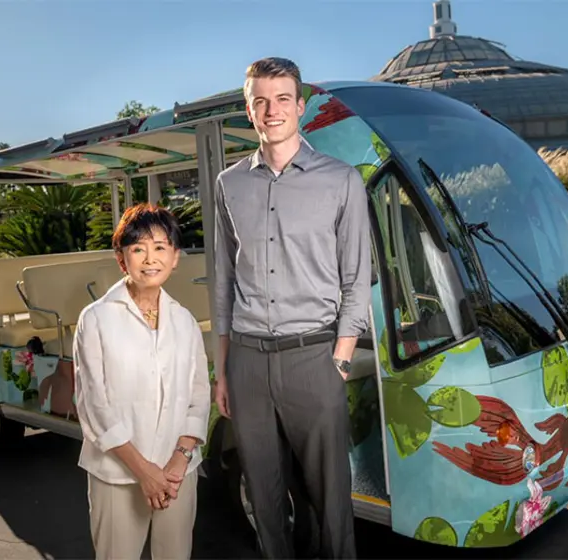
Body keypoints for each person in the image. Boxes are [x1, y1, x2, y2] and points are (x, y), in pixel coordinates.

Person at [213, 57, 371, 559]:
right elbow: (224, 282)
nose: (271, 109)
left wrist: (340, 360)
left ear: (301, 107)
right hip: (247, 360)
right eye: (260, 100)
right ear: (248, 110)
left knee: (329, 501)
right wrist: (223, 370)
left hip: (315, 357)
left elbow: (356, 280)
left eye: (282, 98)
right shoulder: (228, 185)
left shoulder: (341, 180)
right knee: (263, 494)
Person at [73, 203, 211, 560]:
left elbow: (199, 397)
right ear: (122, 259)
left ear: (176, 257)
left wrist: (179, 460)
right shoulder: (97, 319)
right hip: (117, 475)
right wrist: (144, 471)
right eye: (138, 249)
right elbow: (93, 405)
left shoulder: (185, 322)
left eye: (161, 247)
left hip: (178, 474)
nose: (150, 259)